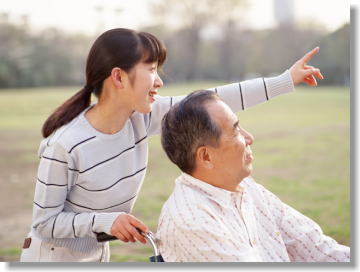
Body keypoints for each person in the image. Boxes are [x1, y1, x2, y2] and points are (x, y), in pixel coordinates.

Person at [20, 28, 322, 262]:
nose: (159, 81)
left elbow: (209, 101)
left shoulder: (141, 118)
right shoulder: (65, 145)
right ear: (118, 77)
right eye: (151, 69)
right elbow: (44, 222)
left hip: (97, 255)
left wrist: (286, 80)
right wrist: (107, 221)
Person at [157, 90, 350, 262]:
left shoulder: (246, 189)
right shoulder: (193, 221)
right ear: (206, 156)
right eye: (235, 130)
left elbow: (315, 246)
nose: (249, 138)